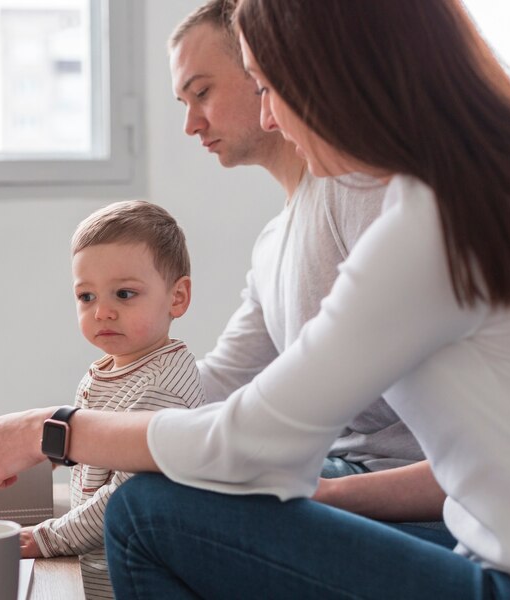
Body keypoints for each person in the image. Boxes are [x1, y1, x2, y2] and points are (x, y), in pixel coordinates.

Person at [0, 0, 510, 597]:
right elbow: (225, 401)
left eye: (268, 85)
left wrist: (55, 432)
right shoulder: (493, 184)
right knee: (170, 484)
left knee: (147, 515)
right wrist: (77, 416)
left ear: (329, 73)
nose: (271, 114)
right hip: (499, 558)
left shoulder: (433, 219)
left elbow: (256, 443)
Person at [168, 0, 449, 526]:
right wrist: (110, 389)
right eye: (182, 101)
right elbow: (214, 385)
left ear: (262, 70)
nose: (190, 124)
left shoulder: (362, 192)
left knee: (155, 508)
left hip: (402, 492)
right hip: (336, 470)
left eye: (201, 92)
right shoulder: (272, 243)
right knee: (154, 484)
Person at [16, 200, 204, 599]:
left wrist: (46, 538)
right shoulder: (110, 369)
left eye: (124, 294)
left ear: (177, 298)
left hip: (128, 577)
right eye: (86, 297)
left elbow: (121, 499)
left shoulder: (162, 386)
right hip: (95, 562)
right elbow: (89, 460)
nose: (102, 311)